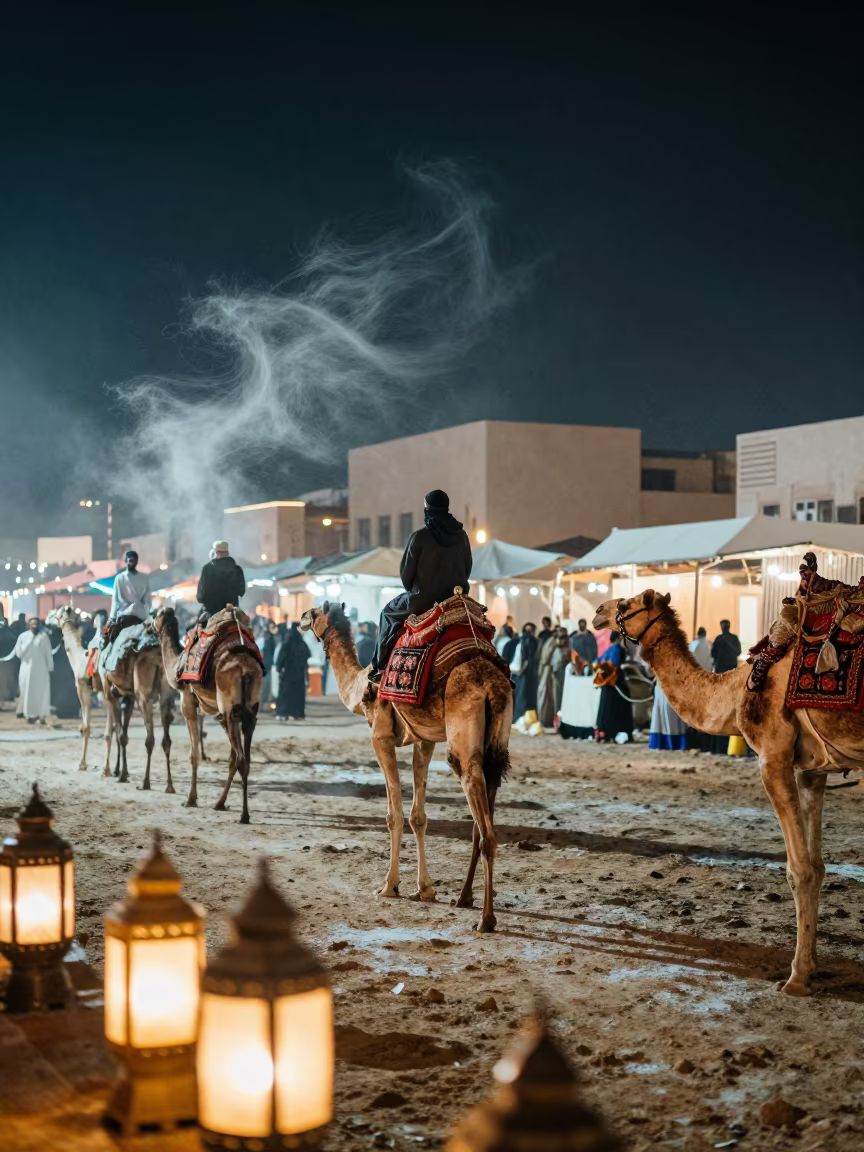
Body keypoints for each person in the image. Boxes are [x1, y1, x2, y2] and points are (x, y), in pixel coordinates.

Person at [370, 489, 472, 681]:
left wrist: (417, 590)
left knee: (388, 612)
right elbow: (467, 569)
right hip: (456, 599)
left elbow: (406, 575)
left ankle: (380, 666)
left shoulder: (420, 537)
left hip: (422, 600)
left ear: (428, 509)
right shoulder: (462, 536)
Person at [594, 631, 633, 743]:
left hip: (606, 684)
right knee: (618, 708)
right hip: (615, 684)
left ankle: (604, 733)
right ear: (618, 638)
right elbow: (614, 665)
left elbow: (597, 662)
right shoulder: (616, 649)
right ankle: (618, 732)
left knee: (605, 709)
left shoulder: (608, 649)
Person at [13, 618, 53, 724]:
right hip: (26, 669)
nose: (34, 626)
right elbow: (19, 653)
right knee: (27, 691)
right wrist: (30, 641)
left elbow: (48, 653)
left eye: (36, 624)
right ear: (29, 625)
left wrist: (50, 667)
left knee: (41, 692)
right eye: (32, 624)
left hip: (41, 669)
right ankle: (29, 714)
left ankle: (41, 715)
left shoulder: (44, 637)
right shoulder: (23, 636)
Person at [106, 551, 152, 642]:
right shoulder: (120, 578)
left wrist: (145, 613)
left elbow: (147, 600)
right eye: (130, 561)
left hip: (140, 616)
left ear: (137, 561)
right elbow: (115, 601)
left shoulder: (144, 578)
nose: (132, 563)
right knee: (108, 638)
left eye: (134, 561)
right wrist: (111, 618)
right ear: (125, 561)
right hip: (123, 616)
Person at [197, 540, 246, 621]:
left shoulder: (207, 569)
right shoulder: (237, 569)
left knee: (196, 626)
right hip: (232, 611)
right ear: (227, 552)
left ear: (215, 552)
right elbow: (242, 591)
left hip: (211, 613)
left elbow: (201, 595)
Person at [276, 623, 310, 720]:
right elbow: (306, 658)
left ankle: (283, 713)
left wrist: (279, 668)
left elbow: (281, 659)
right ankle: (298, 713)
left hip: (288, 674)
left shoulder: (286, 644)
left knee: (285, 694)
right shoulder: (302, 644)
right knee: (298, 694)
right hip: (299, 674)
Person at [537, 626, 570, 728]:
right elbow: (545, 659)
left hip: (562, 675)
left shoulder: (567, 644)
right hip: (550, 675)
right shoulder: (551, 642)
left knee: (560, 698)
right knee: (551, 699)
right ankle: (551, 721)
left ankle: (559, 721)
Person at [47, 620, 80, 720]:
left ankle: (72, 711)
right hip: (62, 672)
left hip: (68, 671)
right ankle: (64, 710)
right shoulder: (57, 642)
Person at [512, 622, 539, 720]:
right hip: (522, 674)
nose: (529, 633)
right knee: (521, 696)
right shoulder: (520, 642)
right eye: (527, 630)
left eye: (530, 631)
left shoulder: (535, 642)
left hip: (530, 673)